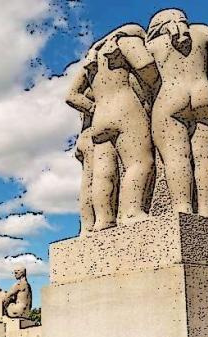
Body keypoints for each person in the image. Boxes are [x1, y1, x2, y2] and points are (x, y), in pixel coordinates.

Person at [146, 8, 208, 218]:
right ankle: (206, 210)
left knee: (177, 156)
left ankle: (182, 207)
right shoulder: (203, 37)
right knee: (205, 155)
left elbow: (145, 77)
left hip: (171, 97)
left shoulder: (152, 46)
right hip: (202, 95)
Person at [68, 23, 157, 230]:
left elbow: (71, 95)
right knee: (140, 162)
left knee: (103, 171)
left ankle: (103, 220)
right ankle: (131, 212)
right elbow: (147, 67)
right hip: (126, 108)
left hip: (100, 115)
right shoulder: (126, 41)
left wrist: (92, 107)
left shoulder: (93, 58)